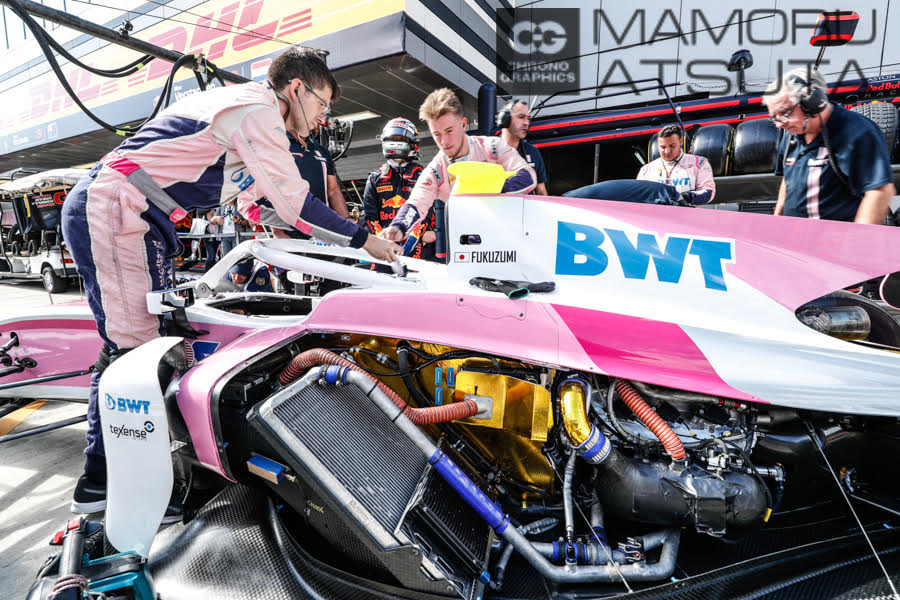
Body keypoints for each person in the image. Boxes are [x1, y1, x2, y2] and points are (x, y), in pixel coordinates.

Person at [61, 46, 401, 514]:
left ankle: (147, 468)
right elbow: (296, 206)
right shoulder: (258, 110)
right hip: (118, 206)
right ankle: (101, 484)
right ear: (296, 89)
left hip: (138, 212)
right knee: (133, 351)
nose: (323, 116)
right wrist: (364, 241)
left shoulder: (251, 117)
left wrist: (310, 243)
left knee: (153, 343)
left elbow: (255, 206)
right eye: (322, 103)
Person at [381, 88, 536, 246]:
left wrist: (494, 190)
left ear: (463, 124)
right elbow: (416, 202)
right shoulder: (436, 169)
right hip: (468, 243)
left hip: (509, 239)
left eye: (449, 131)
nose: (444, 141)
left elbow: (528, 175)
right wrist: (398, 227)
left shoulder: (493, 147)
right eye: (437, 134)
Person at [763, 67, 895, 223]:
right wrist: (777, 219)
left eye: (785, 113)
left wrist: (858, 236)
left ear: (812, 103)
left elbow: (880, 191)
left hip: (839, 236)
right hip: (796, 236)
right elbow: (789, 180)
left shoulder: (858, 132)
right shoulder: (791, 135)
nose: (779, 124)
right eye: (774, 118)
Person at [363, 117, 436, 261]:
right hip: (384, 249)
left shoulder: (424, 176)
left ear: (413, 143)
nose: (396, 142)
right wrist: (383, 242)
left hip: (418, 249)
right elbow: (370, 218)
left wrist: (411, 241)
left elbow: (428, 217)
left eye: (401, 139)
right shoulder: (375, 179)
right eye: (392, 139)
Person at [636, 124, 716, 206]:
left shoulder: (699, 163)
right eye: (663, 147)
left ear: (681, 141)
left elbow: (709, 192)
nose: (667, 151)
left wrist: (687, 197)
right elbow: (639, 196)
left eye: (672, 146)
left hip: (687, 212)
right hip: (656, 212)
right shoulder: (646, 170)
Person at [496, 99, 548, 195]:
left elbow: (541, 192)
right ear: (505, 119)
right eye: (521, 117)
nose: (526, 123)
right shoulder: (488, 150)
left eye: (528, 118)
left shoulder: (533, 152)